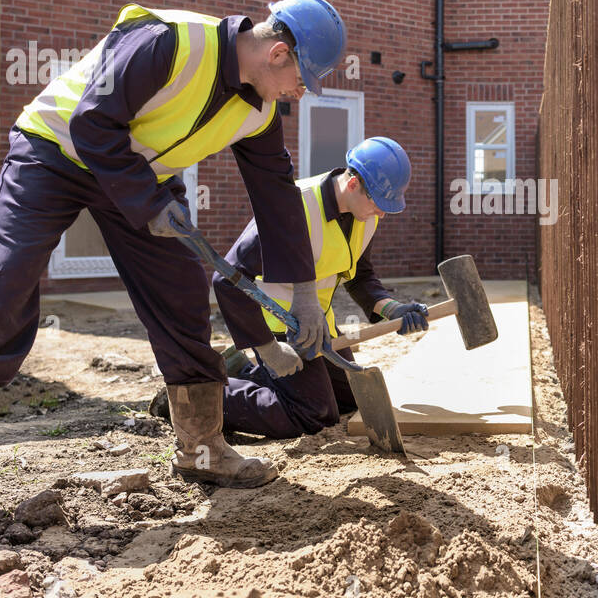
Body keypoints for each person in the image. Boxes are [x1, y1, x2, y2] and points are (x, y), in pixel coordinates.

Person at [0, 0, 347, 532]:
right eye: (302, 81)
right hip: (55, 152)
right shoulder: (167, 40)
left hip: (141, 176)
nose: (299, 95)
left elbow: (277, 196)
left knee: (183, 299)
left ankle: (202, 450)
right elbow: (92, 123)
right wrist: (149, 207)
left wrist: (306, 292)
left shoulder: (259, 110)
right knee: (5, 282)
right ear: (278, 54)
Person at [153, 137, 428, 438]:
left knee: (351, 399)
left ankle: (248, 373)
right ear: (352, 185)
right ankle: (190, 397)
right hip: (276, 326)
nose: (383, 213)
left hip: (318, 326)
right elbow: (227, 280)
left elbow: (361, 278)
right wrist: (268, 350)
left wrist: (393, 309)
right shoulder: (294, 206)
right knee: (313, 413)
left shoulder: (365, 215)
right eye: (378, 202)